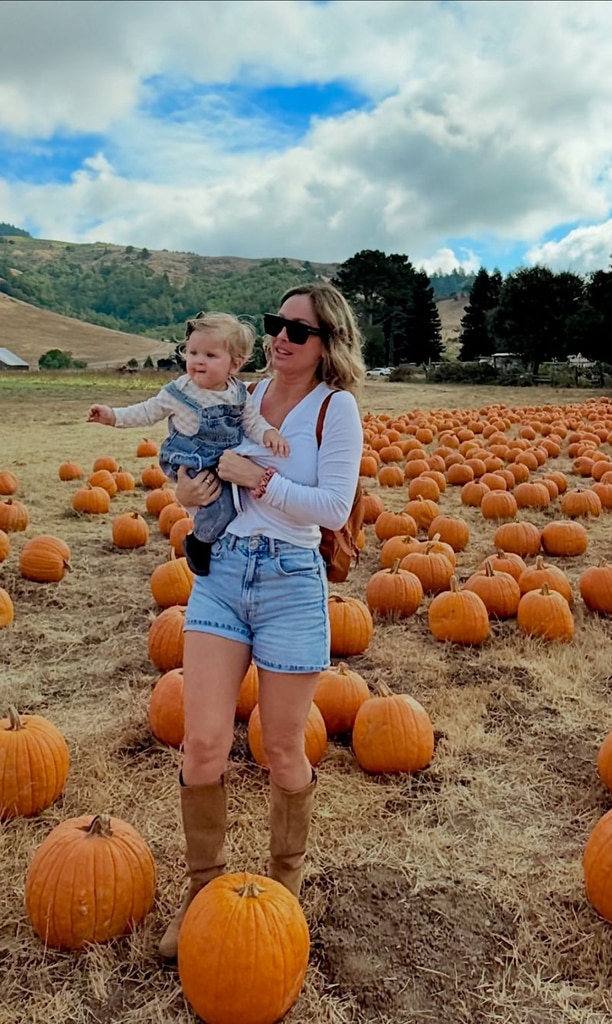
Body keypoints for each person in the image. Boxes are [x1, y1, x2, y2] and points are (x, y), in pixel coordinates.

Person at [158, 282, 365, 959]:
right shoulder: (239, 396)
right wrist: (187, 492)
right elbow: (195, 458)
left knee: (281, 749)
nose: (281, 337)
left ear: (326, 342)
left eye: (298, 330)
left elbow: (333, 508)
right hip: (221, 575)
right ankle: (201, 890)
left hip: (289, 584)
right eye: (276, 323)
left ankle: (284, 885)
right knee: (205, 742)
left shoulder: (335, 410)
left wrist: (257, 479)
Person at [87, 312, 289, 575]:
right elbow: (148, 411)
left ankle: (226, 548)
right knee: (221, 506)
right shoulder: (180, 391)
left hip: (222, 462)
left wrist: (268, 433)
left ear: (234, 365)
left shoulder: (238, 393)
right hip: (189, 459)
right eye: (193, 353)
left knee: (239, 504)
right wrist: (112, 416)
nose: (198, 361)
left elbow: (252, 422)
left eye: (210, 355)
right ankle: (198, 542)